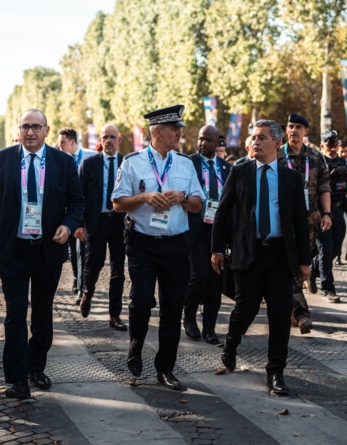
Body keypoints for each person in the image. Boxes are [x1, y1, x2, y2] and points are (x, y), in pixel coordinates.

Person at [0, 109, 84, 400]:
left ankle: (36, 367)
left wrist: (68, 224)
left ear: (47, 130)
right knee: (15, 315)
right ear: (18, 130)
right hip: (13, 251)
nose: (30, 132)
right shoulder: (2, 158)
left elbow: (77, 203)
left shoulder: (64, 162)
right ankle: (17, 379)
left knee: (42, 314)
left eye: (36, 127)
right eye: (25, 126)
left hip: (47, 251)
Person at [212, 120, 310, 396]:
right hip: (248, 252)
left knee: (280, 315)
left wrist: (304, 261)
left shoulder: (290, 178)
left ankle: (276, 372)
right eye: (253, 137)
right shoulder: (240, 171)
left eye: (262, 138)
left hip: (279, 255)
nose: (255, 142)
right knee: (246, 309)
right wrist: (217, 249)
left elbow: (300, 222)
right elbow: (222, 212)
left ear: (277, 143)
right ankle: (231, 344)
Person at [112, 105, 204, 391]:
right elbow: (117, 204)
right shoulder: (132, 162)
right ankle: (135, 346)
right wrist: (145, 197)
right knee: (141, 301)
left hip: (176, 244)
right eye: (174, 128)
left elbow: (199, 203)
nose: (180, 133)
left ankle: (165, 368)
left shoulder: (185, 163)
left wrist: (183, 197)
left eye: (179, 128)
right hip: (142, 244)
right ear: (157, 131)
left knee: (172, 308)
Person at [276, 113, 332, 333]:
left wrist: (327, 214)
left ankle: (291, 307)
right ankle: (302, 313)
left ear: (306, 131)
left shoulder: (316, 157)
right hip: (283, 222)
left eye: (298, 126)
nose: (293, 130)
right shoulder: (277, 155)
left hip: (309, 222)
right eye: (290, 126)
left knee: (302, 264)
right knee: (290, 265)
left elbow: (324, 187)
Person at [183, 125, 231, 344]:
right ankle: (189, 318)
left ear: (217, 142)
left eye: (208, 140)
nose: (203, 143)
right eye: (201, 138)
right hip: (195, 228)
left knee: (215, 280)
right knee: (198, 275)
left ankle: (210, 327)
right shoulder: (187, 163)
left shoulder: (227, 168)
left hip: (218, 230)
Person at [76, 124, 127, 331]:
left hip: (119, 222)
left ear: (119, 139)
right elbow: (78, 196)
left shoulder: (128, 163)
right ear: (100, 139)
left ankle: (115, 314)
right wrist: (78, 224)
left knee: (118, 270)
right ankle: (87, 292)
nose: (108, 140)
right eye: (105, 137)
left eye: (112, 137)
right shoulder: (89, 164)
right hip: (95, 222)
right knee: (93, 265)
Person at [57, 127, 97, 297]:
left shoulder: (90, 157)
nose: (59, 146)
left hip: (82, 209)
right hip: (63, 209)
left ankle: (82, 284)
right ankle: (76, 276)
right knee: (72, 249)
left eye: (62, 143)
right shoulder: (57, 159)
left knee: (83, 248)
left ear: (72, 142)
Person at [318, 130, 347, 303]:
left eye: (336, 144)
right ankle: (328, 288)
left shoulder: (342, 161)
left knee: (336, 249)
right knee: (326, 248)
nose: (334, 148)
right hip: (322, 210)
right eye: (330, 145)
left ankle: (314, 266)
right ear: (322, 146)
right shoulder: (317, 162)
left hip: (337, 209)